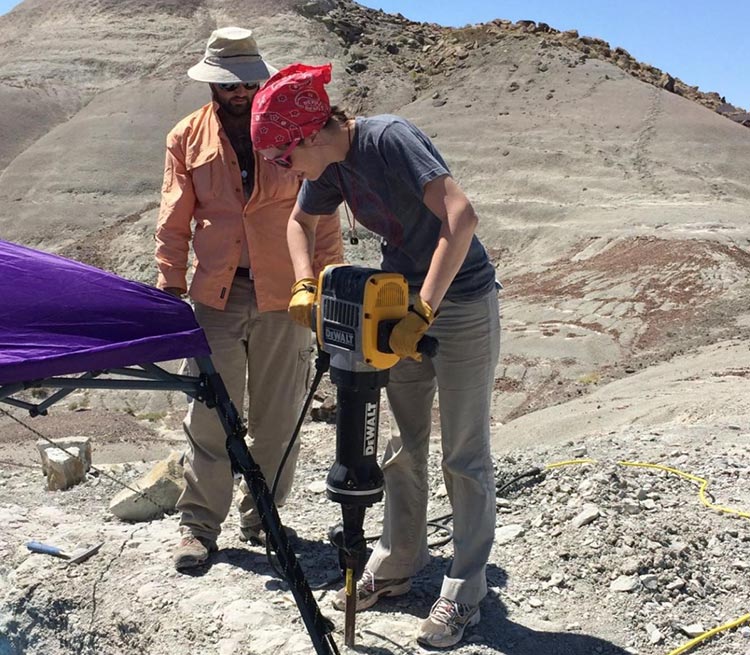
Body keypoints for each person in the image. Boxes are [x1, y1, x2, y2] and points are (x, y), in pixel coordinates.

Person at [250, 63, 501, 649]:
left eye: (283, 158)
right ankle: (394, 568)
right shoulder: (333, 167)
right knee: (402, 446)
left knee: (463, 453)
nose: (285, 172)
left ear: (310, 134)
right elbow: (299, 222)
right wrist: (305, 283)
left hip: (458, 302)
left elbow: (460, 216)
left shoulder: (388, 139)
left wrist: (425, 312)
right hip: (396, 305)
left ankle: (464, 593)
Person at [155, 30, 342, 571]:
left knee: (279, 415)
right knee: (210, 414)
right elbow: (174, 217)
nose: (238, 91)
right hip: (214, 293)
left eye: (247, 82)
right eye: (228, 83)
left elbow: (321, 213)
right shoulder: (186, 137)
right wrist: (169, 284)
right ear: (213, 83)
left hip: (288, 295)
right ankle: (199, 527)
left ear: (261, 79)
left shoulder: (291, 133)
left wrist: (327, 285)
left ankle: (265, 515)